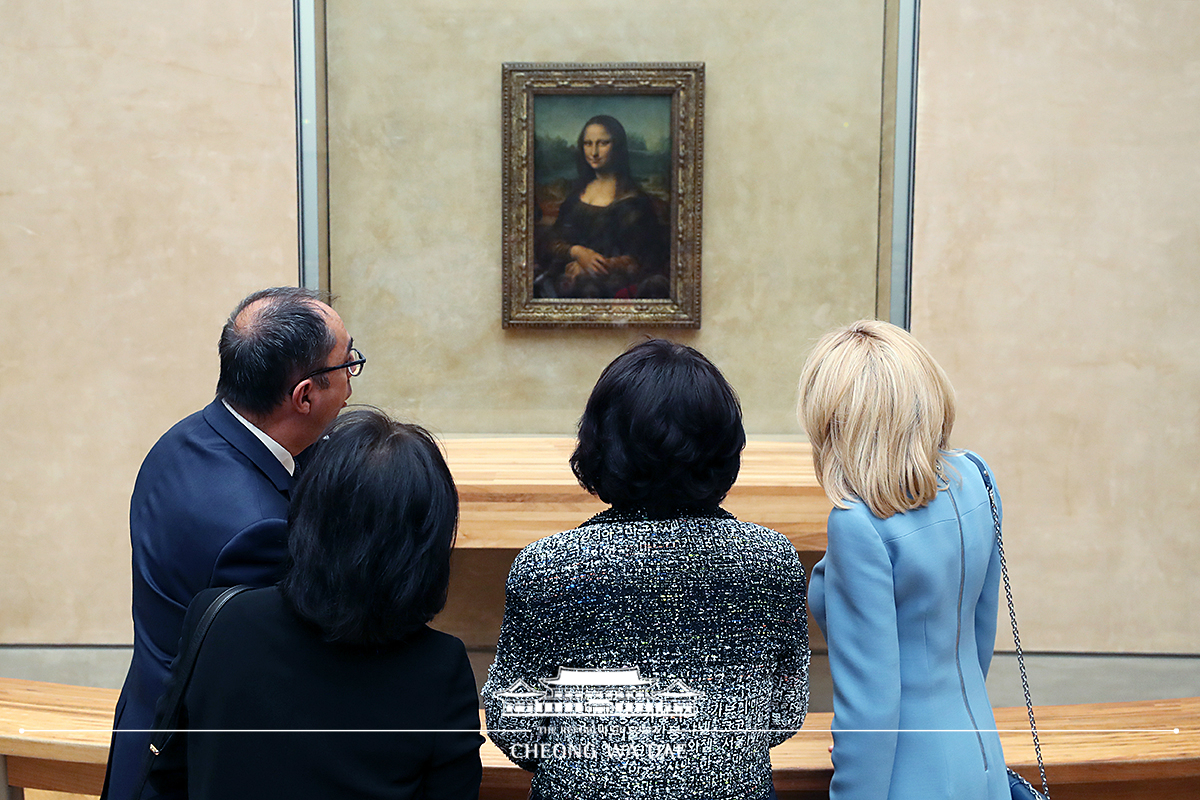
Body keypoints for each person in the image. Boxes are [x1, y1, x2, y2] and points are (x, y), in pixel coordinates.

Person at [483, 339, 809, 800]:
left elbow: (512, 721)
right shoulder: (770, 559)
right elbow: (783, 712)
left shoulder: (549, 565)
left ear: (599, 442)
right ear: (725, 445)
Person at [102, 287, 363, 800]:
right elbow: (279, 674)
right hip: (200, 766)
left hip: (146, 720)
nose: (352, 382)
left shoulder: (183, 439)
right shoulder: (257, 531)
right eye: (347, 363)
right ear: (305, 395)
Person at [145, 408, 483, 799]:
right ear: (428, 545)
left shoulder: (218, 619)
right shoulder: (440, 668)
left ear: (308, 513)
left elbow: (168, 770)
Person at [797, 320, 1007, 800]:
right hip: (981, 753)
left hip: (907, 777)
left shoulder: (858, 527)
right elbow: (980, 636)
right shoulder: (976, 476)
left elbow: (870, 708)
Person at [534, 115, 669, 299]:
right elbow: (552, 242)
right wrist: (577, 252)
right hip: (566, 279)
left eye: (603, 143)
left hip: (614, 289)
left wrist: (595, 265)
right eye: (588, 143)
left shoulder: (635, 202)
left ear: (618, 147)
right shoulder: (575, 197)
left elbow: (645, 259)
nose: (594, 152)